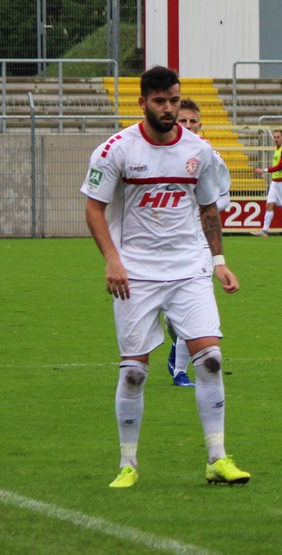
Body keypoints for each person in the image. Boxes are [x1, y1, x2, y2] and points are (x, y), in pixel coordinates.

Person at [82, 66, 250, 489]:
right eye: (160, 101)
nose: (169, 108)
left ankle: (217, 458)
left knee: (211, 359)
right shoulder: (116, 150)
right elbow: (94, 208)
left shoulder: (198, 151)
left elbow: (208, 209)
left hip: (188, 270)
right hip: (135, 274)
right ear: (143, 103)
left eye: (174, 100)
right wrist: (112, 260)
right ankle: (128, 464)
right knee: (134, 373)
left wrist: (219, 261)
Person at [162, 98, 234, 388]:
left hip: (200, 240)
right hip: (163, 241)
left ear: (200, 125)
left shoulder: (209, 156)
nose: (188, 125)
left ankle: (180, 372)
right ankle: (176, 341)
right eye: (183, 121)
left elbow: (224, 195)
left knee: (193, 306)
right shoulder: (157, 153)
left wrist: (205, 208)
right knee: (171, 313)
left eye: (193, 121)